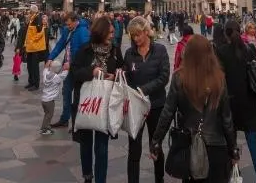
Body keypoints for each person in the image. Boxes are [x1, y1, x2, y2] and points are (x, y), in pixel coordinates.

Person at [150, 35, 239, 183]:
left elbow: (167, 113)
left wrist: (156, 141)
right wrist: (233, 148)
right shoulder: (219, 77)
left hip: (189, 144)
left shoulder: (179, 77)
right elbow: (227, 119)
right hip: (216, 144)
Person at [71, 16, 124, 183]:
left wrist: (114, 76)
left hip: (106, 104)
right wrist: (91, 72)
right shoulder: (86, 50)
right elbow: (75, 72)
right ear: (100, 33)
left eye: (113, 33)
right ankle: (88, 175)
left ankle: (101, 179)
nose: (112, 36)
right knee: (86, 144)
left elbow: (123, 70)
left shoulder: (115, 51)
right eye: (109, 33)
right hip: (87, 103)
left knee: (102, 147)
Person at [218, 20, 256, 183]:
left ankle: (233, 177)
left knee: (230, 146)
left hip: (229, 105)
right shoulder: (250, 49)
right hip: (250, 103)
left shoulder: (221, 51)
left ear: (226, 33)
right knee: (255, 147)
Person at [123, 16, 170, 183]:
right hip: (136, 107)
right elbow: (126, 76)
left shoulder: (160, 50)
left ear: (146, 32)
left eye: (138, 35)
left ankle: (159, 179)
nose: (136, 39)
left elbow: (164, 77)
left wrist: (144, 89)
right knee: (134, 148)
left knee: (155, 145)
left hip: (156, 105)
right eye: (132, 36)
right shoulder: (129, 54)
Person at [46, 12, 90, 128]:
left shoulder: (83, 32)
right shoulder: (66, 30)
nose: (68, 26)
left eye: (69, 24)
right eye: (66, 24)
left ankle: (77, 123)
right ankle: (65, 119)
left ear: (76, 21)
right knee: (66, 92)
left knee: (78, 96)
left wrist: (72, 64)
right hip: (68, 68)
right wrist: (50, 58)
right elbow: (60, 44)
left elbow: (86, 53)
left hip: (79, 69)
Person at [40, 60, 69, 135]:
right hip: (50, 101)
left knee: (47, 114)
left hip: (43, 100)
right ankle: (45, 129)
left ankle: (45, 127)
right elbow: (64, 74)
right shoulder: (56, 78)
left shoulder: (45, 74)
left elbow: (45, 68)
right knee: (49, 115)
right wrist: (66, 68)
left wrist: (48, 63)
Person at [23, 5, 47, 91]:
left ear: (33, 11)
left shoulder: (38, 18)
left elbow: (40, 32)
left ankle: (35, 84)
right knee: (29, 65)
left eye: (30, 11)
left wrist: (32, 40)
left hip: (35, 47)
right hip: (30, 47)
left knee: (34, 66)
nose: (29, 13)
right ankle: (31, 82)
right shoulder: (32, 18)